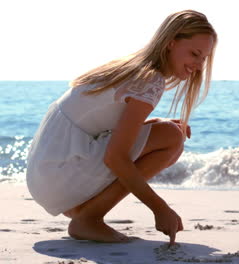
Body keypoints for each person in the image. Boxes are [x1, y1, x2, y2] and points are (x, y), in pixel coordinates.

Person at [26, 10, 217, 245]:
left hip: (47, 173)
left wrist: (156, 124)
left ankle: (86, 212)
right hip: (60, 172)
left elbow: (103, 128)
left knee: (168, 131)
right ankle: (89, 218)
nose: (198, 65)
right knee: (172, 138)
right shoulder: (151, 80)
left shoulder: (133, 68)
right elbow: (115, 157)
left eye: (204, 58)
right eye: (194, 54)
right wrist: (160, 208)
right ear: (171, 43)